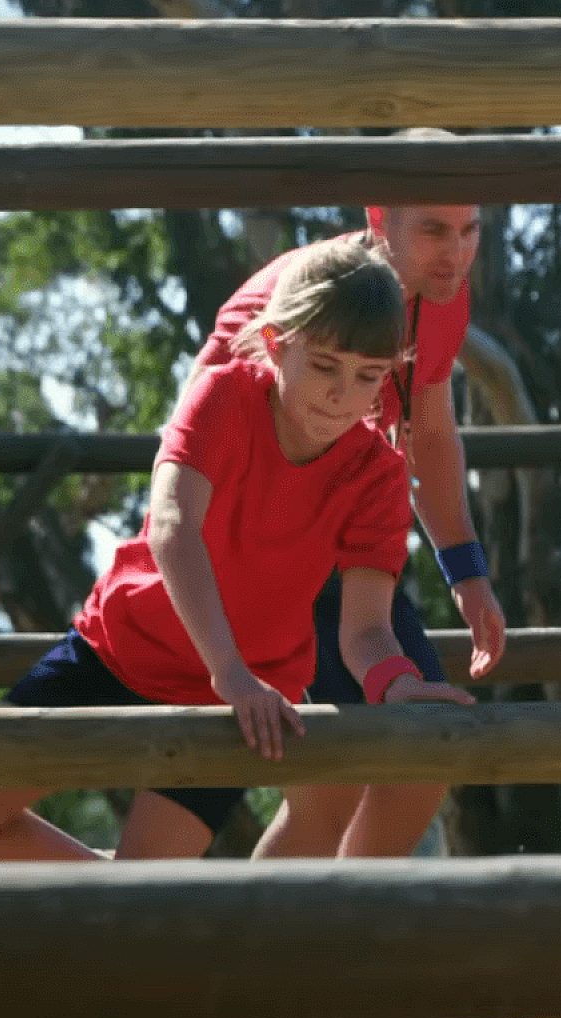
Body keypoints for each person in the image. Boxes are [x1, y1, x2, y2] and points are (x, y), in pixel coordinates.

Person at [0, 236, 475, 1018]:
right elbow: (173, 528)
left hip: (237, 704)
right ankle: (131, 882)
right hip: (122, 648)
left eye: (368, 378)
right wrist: (229, 669)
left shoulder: (376, 470)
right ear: (277, 341)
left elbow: (364, 630)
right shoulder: (222, 393)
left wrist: (398, 688)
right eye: (324, 365)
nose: (343, 396)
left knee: (143, 930)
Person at [197, 140, 504, 870]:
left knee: (419, 758)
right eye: (434, 229)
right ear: (380, 220)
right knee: (331, 781)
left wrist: (466, 571)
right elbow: (201, 451)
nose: (456, 254)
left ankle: (332, 940)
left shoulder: (440, 294)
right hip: (259, 553)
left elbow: (429, 426)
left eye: (470, 230)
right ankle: (286, 954)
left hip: (351, 549)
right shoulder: (302, 298)